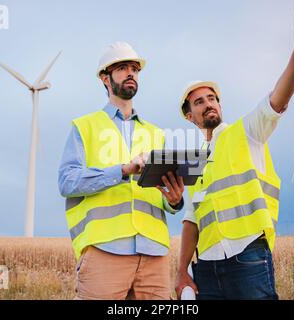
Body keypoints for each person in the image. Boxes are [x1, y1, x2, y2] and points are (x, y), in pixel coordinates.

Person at [175, 10, 294, 300]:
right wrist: (181, 271)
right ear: (190, 116)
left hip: (248, 258)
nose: (208, 104)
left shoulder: (247, 131)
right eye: (199, 102)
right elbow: (191, 220)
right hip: (205, 267)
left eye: (212, 98)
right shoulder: (195, 161)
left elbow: (278, 98)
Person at [58, 42, 184, 300]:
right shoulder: (85, 126)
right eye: (123, 68)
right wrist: (124, 170)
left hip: (154, 254)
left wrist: (174, 201)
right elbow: (67, 181)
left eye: (135, 69)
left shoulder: (156, 133)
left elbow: (159, 194)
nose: (131, 73)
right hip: (105, 250)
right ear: (105, 78)